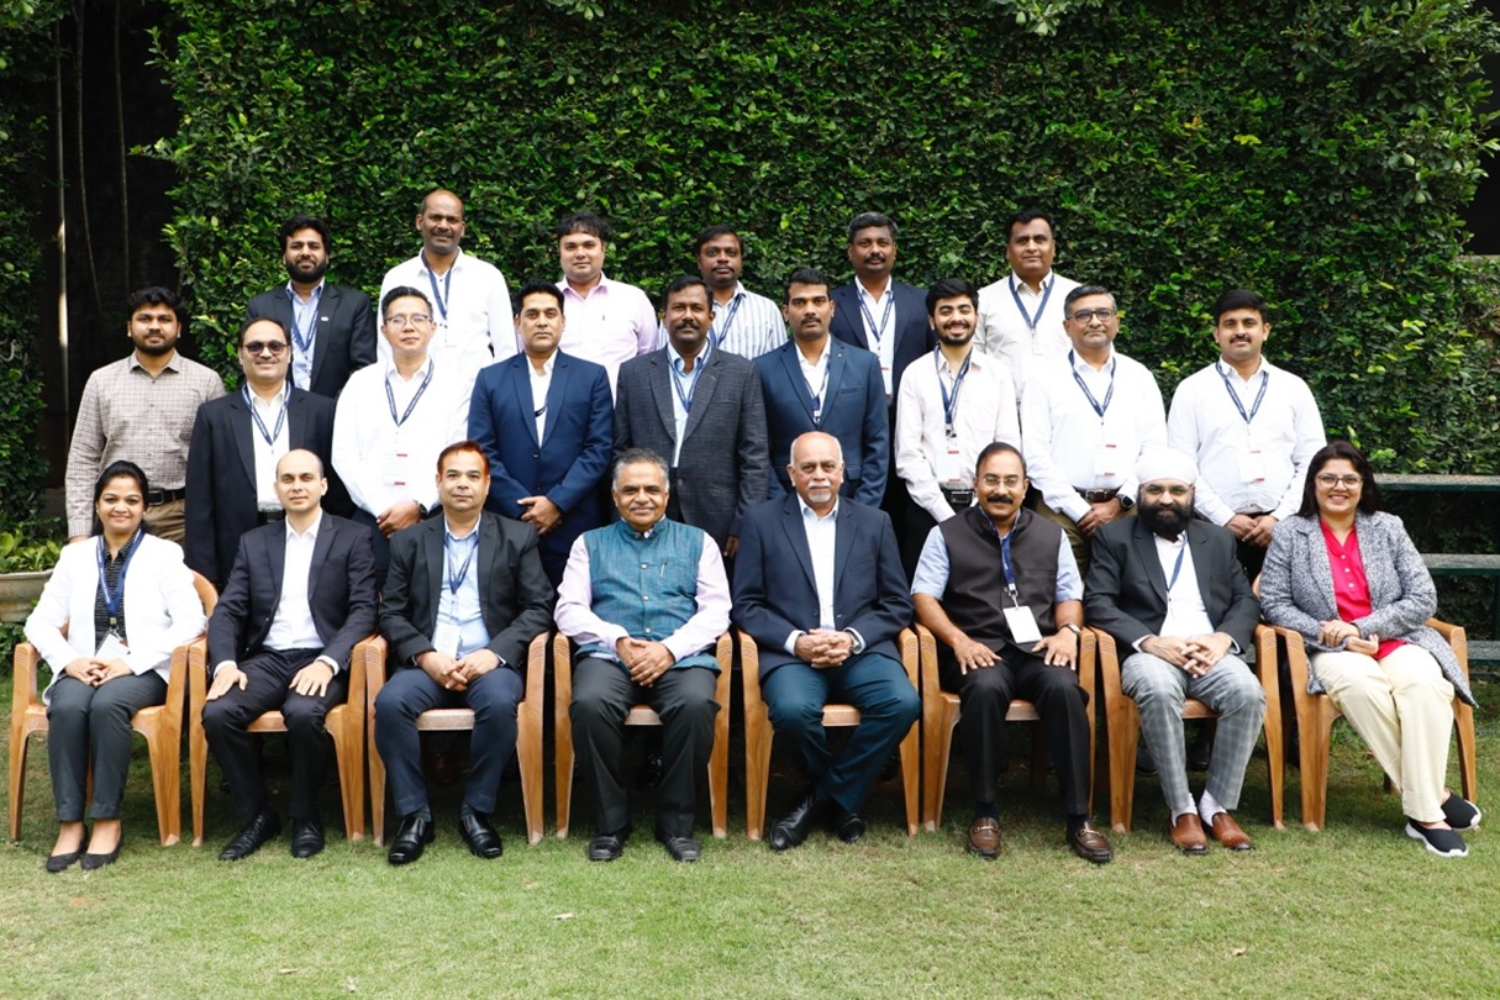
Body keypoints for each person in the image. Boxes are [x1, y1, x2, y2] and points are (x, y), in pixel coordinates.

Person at [1258, 440, 1479, 857]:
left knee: (1426, 685)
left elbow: (1421, 597)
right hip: (1331, 650)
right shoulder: (1290, 531)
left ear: (1363, 485)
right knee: (1362, 688)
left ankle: (1423, 800)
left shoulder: (1388, 527)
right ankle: (1430, 809)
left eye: (1349, 479)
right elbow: (1273, 603)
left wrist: (1362, 625)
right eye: (1328, 478)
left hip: (1396, 639)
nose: (1338, 486)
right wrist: (1338, 635)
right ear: (1313, 484)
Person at [911, 443, 1110, 863]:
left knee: (1065, 689)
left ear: (1026, 486)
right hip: (977, 648)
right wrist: (958, 640)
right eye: (991, 480)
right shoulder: (944, 533)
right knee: (983, 690)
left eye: (1010, 481)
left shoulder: (1050, 533)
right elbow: (924, 596)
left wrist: (1068, 632)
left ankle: (1078, 816)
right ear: (975, 483)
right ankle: (985, 811)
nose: (1000, 489)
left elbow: (1069, 594)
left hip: (1038, 648)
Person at [732, 432, 921, 850]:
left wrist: (852, 639)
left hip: (861, 650)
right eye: (808, 467)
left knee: (903, 702)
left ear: (843, 471)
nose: (818, 476)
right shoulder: (761, 522)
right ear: (790, 473)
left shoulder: (875, 522)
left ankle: (819, 799)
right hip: (794, 655)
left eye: (827, 466)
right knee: (793, 711)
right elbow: (745, 604)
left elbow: (896, 603)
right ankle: (842, 800)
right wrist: (796, 641)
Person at [375, 441, 556, 865]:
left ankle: (476, 810)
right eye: (453, 475)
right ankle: (415, 816)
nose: (462, 484)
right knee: (389, 703)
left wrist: (495, 654)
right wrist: (426, 655)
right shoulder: (409, 542)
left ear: (488, 484)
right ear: (437, 483)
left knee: (497, 702)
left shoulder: (518, 536)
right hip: (429, 662)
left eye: (473, 476)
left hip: (489, 660)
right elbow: (392, 613)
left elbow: (539, 607)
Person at [25, 461, 206, 871]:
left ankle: (107, 819)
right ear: (96, 504)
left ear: (144, 508)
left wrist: (132, 662)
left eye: (131, 500)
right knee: (68, 707)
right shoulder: (74, 556)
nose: (120, 508)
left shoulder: (164, 553)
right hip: (84, 665)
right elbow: (40, 621)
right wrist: (69, 661)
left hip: (142, 670)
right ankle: (70, 822)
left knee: (108, 706)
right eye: (111, 499)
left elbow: (193, 620)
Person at [1084, 449, 1266, 855]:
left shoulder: (1218, 539)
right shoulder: (1115, 538)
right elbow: (1097, 603)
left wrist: (1221, 640)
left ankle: (1217, 805)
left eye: (1176, 490)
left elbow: (1245, 601)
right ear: (1141, 493)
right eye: (1156, 490)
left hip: (1209, 651)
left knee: (1247, 693)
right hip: (1149, 652)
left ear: (1192, 494)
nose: (1166, 498)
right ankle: (1181, 808)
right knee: (1158, 690)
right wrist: (1150, 641)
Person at [554, 449, 730, 862]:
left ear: (667, 496)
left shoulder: (698, 541)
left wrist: (670, 649)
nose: (642, 497)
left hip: (679, 655)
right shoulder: (588, 544)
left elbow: (717, 610)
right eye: (630, 489)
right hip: (610, 656)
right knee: (590, 704)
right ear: (614, 496)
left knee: (695, 704)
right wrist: (615, 639)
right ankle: (611, 824)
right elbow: (568, 609)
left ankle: (676, 824)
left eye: (652, 489)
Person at [202, 449, 377, 861]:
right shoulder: (255, 542)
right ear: (276, 489)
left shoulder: (353, 537)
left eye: (305, 478)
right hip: (268, 657)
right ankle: (258, 815)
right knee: (218, 713)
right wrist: (225, 662)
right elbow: (228, 609)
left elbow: (364, 609)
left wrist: (329, 660)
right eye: (287, 479)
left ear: (323, 485)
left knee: (302, 713)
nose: (296, 486)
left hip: (322, 656)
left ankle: (305, 816)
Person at [1167, 288, 1325, 581]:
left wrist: (1279, 517)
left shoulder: (1293, 388)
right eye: (1230, 324)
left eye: (1248, 323)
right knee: (1218, 614)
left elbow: (1313, 461)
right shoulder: (1192, 390)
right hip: (1211, 527)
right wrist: (1224, 517)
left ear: (1265, 330)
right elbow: (1182, 466)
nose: (1240, 331)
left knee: (1286, 615)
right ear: (1216, 333)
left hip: (1284, 528)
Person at [468, 279, 614, 585]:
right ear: (517, 322)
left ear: (563, 321)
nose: (542, 322)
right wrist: (523, 507)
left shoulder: (592, 376)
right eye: (532, 315)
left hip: (574, 522)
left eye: (551, 314)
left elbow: (598, 448)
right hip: (509, 523)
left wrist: (557, 502)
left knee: (574, 622)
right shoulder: (490, 379)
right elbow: (482, 451)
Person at [616, 274, 769, 560]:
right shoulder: (633, 373)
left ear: (711, 316)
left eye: (696, 309)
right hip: (646, 510)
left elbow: (755, 457)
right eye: (678, 308)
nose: (688, 316)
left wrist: (744, 522)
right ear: (663, 316)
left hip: (719, 517)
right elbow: (620, 450)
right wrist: (621, 515)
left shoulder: (741, 373)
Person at [186, 317, 343, 591]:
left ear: (289, 354)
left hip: (308, 538)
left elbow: (338, 489)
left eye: (275, 346)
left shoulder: (322, 410)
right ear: (240, 354)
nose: (266, 353)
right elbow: (200, 500)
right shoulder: (214, 415)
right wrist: (204, 575)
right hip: (236, 544)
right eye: (255, 347)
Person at [1021, 284, 1167, 574]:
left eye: (1103, 313)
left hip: (1127, 508)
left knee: (1132, 597)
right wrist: (1080, 509)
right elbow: (1035, 455)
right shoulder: (1044, 378)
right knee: (1060, 597)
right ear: (1067, 326)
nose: (1095, 321)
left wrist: (1121, 501)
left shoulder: (1139, 376)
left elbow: (1155, 449)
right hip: (1061, 511)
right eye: (1083, 315)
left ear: (1116, 322)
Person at [64, 286, 225, 543]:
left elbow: (220, 461)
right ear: (129, 327)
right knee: (118, 584)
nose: (154, 326)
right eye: (145, 319)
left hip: (181, 519)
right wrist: (79, 532)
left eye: (164, 319)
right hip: (118, 514)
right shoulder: (101, 381)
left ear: (179, 328)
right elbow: (84, 458)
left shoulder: (206, 382)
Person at [333, 286, 469, 584]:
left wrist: (418, 505)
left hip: (433, 517)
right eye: (398, 319)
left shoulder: (456, 386)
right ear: (383, 329)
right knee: (369, 604)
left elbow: (457, 454)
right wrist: (384, 508)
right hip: (372, 520)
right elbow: (343, 454)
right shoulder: (360, 383)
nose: (408, 326)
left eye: (418, 318)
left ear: (433, 328)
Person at [894, 277, 1019, 572]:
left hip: (989, 507)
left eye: (964, 309)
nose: (956, 318)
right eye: (946, 311)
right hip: (927, 510)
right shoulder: (915, 374)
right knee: (926, 599)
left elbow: (1008, 445)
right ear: (932, 321)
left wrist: (980, 505)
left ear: (976, 316)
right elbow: (908, 455)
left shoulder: (997, 374)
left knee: (982, 597)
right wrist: (945, 514)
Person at [756, 268, 888, 507]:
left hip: (852, 496)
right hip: (785, 499)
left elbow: (878, 443)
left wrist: (864, 509)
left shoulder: (865, 364)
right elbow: (758, 448)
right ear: (785, 312)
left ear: (832, 308)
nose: (810, 310)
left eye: (818, 301)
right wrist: (780, 508)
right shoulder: (762, 369)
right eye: (799, 302)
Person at [377, 189, 515, 386]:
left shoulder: (488, 277)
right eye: (435, 217)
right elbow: (385, 348)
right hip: (414, 397)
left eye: (452, 219)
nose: (443, 225)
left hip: (477, 399)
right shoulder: (397, 278)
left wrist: (498, 398)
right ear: (419, 222)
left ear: (462, 228)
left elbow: (506, 349)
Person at [245, 214, 377, 399]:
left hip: (336, 415)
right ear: (284, 257)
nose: (305, 252)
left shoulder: (354, 304)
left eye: (314, 246)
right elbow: (249, 367)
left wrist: (334, 410)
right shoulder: (261, 306)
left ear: (327, 256)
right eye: (296, 246)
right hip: (277, 417)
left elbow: (363, 370)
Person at [828, 212, 935, 402]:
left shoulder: (922, 301)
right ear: (850, 251)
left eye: (882, 243)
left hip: (910, 412)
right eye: (865, 243)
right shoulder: (831, 304)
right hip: (852, 414)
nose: (875, 250)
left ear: (895, 250)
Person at [975, 209, 1080, 399]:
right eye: (1022, 241)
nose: (1031, 247)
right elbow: (973, 364)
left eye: (1040, 239)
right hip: (1006, 416)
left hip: (1067, 412)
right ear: (1008, 251)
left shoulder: (1080, 297)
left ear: (1053, 248)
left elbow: (1100, 357)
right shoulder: (983, 300)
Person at [553, 211, 657, 393]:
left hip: (619, 414)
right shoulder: (544, 301)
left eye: (589, 245)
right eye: (570, 247)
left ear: (603, 248)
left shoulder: (633, 299)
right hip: (557, 415)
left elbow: (648, 359)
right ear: (559, 252)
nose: (580, 254)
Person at [670, 224, 785, 359]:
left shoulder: (766, 310)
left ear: (741, 259)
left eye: (731, 253)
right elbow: (662, 365)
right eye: (712, 253)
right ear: (699, 260)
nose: (723, 259)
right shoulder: (675, 310)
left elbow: (778, 366)